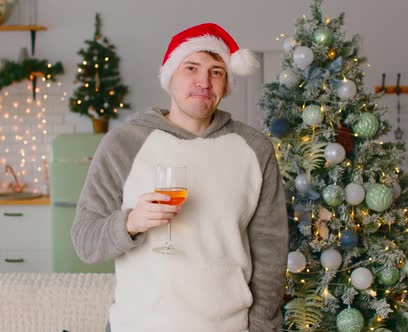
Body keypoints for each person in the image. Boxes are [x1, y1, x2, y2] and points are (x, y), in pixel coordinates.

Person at [72, 22, 288, 332]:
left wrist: (260, 327)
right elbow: (85, 241)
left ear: (226, 85)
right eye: (191, 68)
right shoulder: (123, 143)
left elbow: (271, 252)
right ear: (169, 76)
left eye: (216, 72)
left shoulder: (255, 149)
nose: (204, 81)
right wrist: (131, 223)